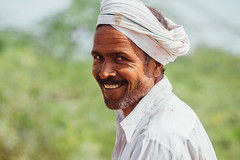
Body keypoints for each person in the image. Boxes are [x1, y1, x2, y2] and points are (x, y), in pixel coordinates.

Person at [91, 0, 217, 159]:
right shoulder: (136, 121)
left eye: (121, 58)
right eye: (98, 57)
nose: (104, 73)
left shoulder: (157, 140)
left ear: (156, 65)